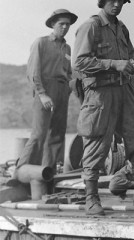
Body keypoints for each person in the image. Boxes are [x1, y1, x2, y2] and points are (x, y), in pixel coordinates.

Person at [73, 0, 134, 215]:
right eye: (112, 1)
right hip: (101, 94)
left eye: (120, 1)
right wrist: (113, 64)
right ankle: (92, 198)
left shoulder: (121, 28)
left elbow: (127, 58)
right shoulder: (91, 26)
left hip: (126, 91)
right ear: (103, 3)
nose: (116, 5)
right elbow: (79, 62)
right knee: (96, 143)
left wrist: (131, 65)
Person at [17, 9, 77, 183]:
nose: (65, 27)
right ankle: (21, 173)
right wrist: (42, 94)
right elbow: (33, 71)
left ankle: (47, 174)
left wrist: (69, 88)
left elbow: (68, 71)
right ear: (53, 25)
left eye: (67, 24)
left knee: (57, 134)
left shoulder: (67, 47)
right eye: (61, 24)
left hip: (62, 91)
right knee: (38, 134)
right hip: (45, 89)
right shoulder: (41, 43)